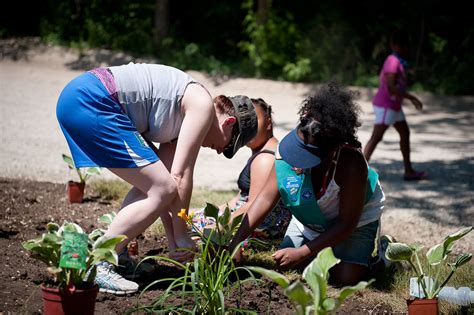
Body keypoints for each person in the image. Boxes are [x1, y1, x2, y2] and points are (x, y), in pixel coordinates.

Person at [56, 63, 257, 294]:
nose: (222, 151)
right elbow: (181, 177)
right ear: (229, 123)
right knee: (162, 188)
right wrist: (183, 236)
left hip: (84, 98)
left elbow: (167, 183)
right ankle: (98, 262)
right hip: (92, 100)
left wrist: (173, 242)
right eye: (231, 144)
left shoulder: (185, 116)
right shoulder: (201, 106)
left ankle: (110, 255)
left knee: (156, 187)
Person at [229, 83, 386, 286]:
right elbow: (266, 198)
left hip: (354, 221)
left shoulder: (351, 164)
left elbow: (346, 223)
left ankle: (382, 260)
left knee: (345, 278)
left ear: (333, 151)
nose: (298, 159)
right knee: (292, 265)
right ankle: (321, 251)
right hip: (310, 219)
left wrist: (303, 252)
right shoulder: (288, 147)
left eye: (308, 156)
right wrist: (236, 242)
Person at [191, 98, 291, 241]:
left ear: (269, 123)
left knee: (194, 224)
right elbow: (241, 197)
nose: (249, 128)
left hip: (260, 226)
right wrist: (214, 211)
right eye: (244, 124)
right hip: (247, 216)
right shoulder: (261, 152)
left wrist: (221, 227)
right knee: (194, 216)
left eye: (255, 122)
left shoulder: (265, 159)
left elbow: (255, 205)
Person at [363, 29, 427, 181]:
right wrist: (412, 98)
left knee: (404, 133)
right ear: (399, 45)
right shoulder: (393, 61)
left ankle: (408, 171)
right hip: (386, 105)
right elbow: (391, 86)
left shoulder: (398, 61)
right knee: (376, 137)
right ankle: (358, 171)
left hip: (394, 106)